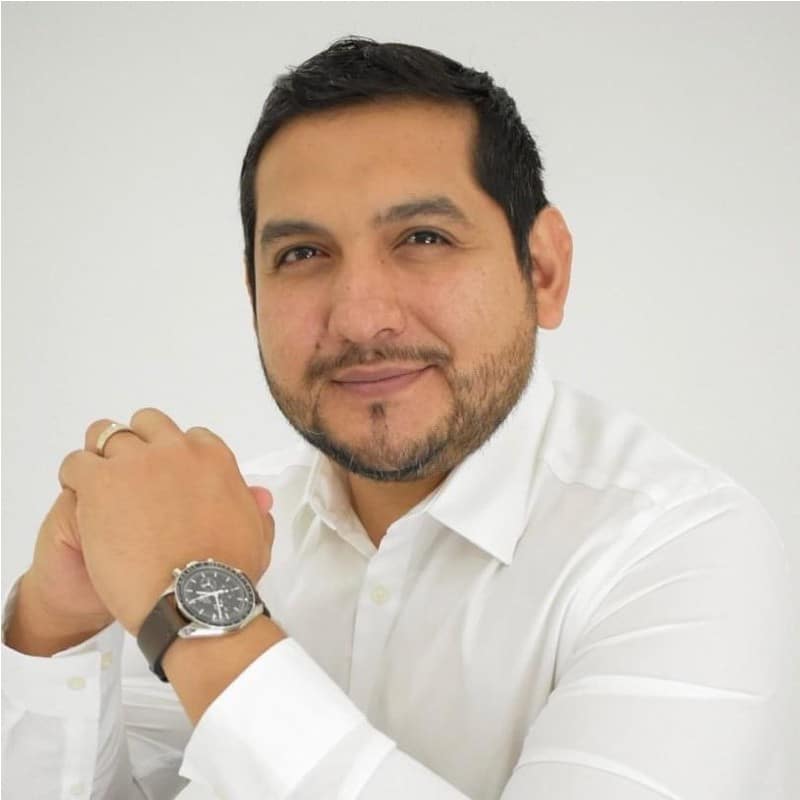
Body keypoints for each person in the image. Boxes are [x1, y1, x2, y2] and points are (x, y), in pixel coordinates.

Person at [1, 36, 791, 800]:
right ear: (253, 294)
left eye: (423, 237)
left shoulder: (685, 549)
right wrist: (56, 627)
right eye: (302, 254)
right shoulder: (208, 526)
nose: (360, 317)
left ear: (543, 270)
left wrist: (203, 612)